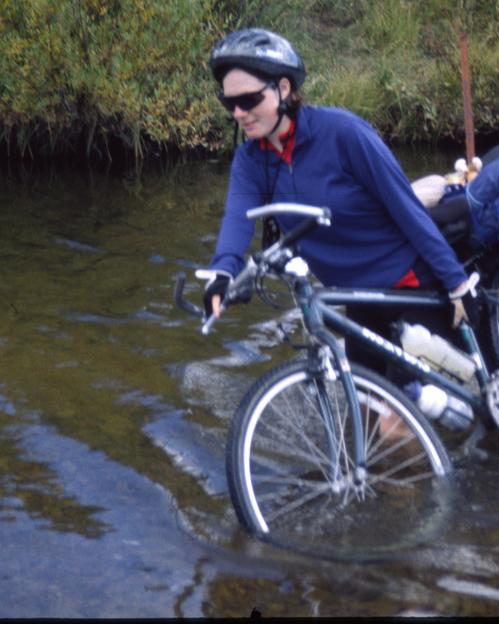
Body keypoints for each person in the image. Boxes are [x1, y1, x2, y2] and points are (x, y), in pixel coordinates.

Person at [200, 27, 478, 409]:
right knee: (368, 405)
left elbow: (406, 208)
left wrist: (457, 284)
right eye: (228, 103)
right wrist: (221, 274)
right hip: (358, 297)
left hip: (412, 287)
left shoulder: (343, 133)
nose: (238, 113)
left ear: (283, 88)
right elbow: (237, 219)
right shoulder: (251, 161)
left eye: (249, 100)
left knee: (400, 418)